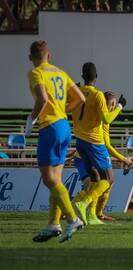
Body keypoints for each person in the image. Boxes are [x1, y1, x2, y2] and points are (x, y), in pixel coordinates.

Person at [27, 41, 86, 243]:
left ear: (31, 57)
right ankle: (53, 224)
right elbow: (80, 98)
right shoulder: (60, 72)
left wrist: (31, 118)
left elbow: (42, 99)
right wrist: (61, 110)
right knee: (56, 180)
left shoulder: (36, 72)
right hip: (64, 127)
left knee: (48, 179)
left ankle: (72, 218)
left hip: (50, 128)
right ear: (49, 55)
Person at [71, 62, 127, 225]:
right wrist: (120, 107)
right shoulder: (97, 96)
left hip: (80, 142)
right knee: (108, 179)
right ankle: (83, 202)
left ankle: (91, 215)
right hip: (94, 142)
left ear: (82, 76)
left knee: (95, 180)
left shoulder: (77, 92)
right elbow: (106, 119)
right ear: (96, 77)